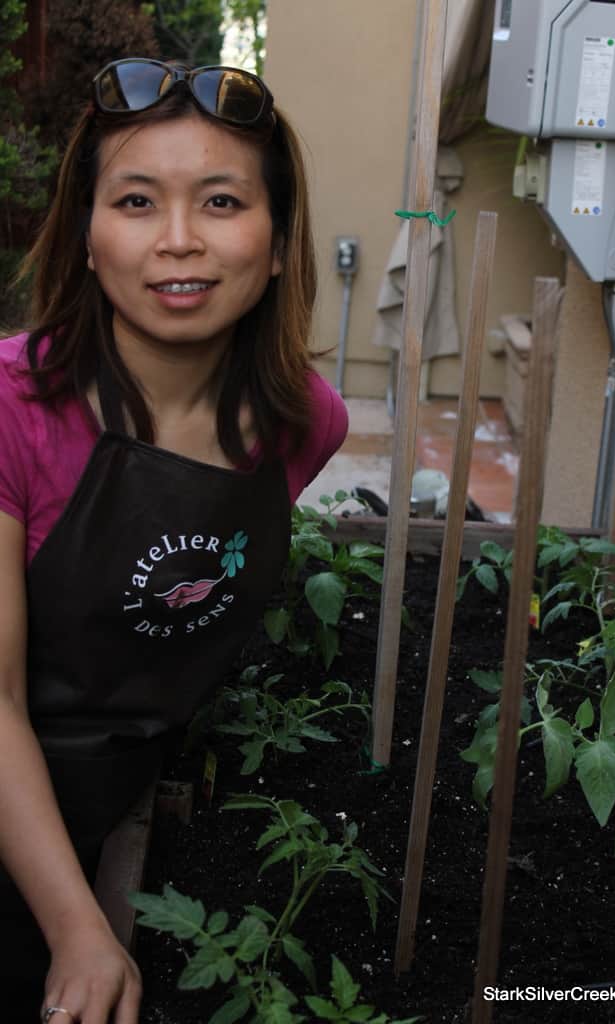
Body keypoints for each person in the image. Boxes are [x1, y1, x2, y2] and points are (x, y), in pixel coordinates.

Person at [0, 58, 348, 1023]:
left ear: (277, 241)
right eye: (138, 201)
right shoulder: (9, 410)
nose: (180, 241)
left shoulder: (302, 425)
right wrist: (80, 927)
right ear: (87, 234)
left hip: (117, 790)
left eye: (223, 200)